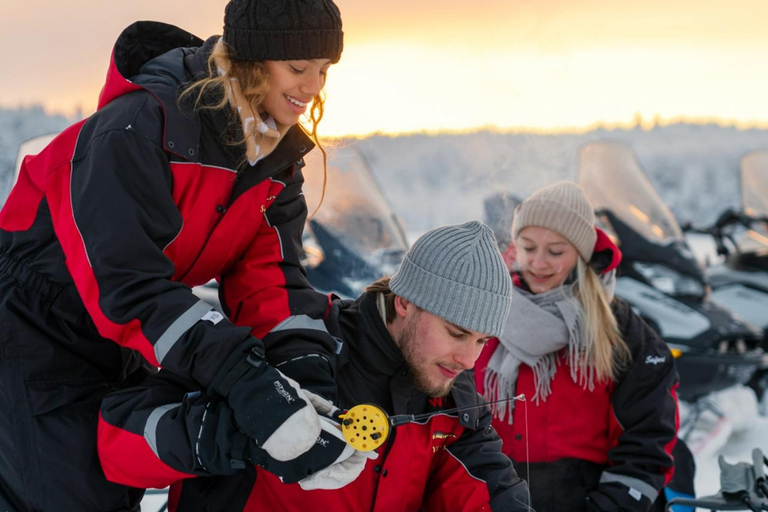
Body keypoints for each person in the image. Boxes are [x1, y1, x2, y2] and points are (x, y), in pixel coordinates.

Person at [0, 1, 350, 510]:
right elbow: (129, 284)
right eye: (298, 68)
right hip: (33, 325)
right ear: (251, 60)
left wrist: (306, 382)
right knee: (69, 491)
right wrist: (247, 378)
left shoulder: (273, 161)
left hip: (131, 335)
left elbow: (271, 280)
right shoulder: (140, 128)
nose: (313, 86)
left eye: (323, 70)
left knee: (175, 464)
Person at [98, 221, 533, 512]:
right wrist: (232, 433)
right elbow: (118, 445)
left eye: (482, 340)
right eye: (457, 333)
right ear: (405, 303)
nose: (469, 358)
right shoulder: (296, 343)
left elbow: (487, 490)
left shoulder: (448, 397)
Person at [474, 182, 679, 512]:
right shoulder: (485, 316)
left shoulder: (621, 330)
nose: (538, 263)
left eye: (555, 252)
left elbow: (647, 439)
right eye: (528, 248)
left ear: (582, 254)